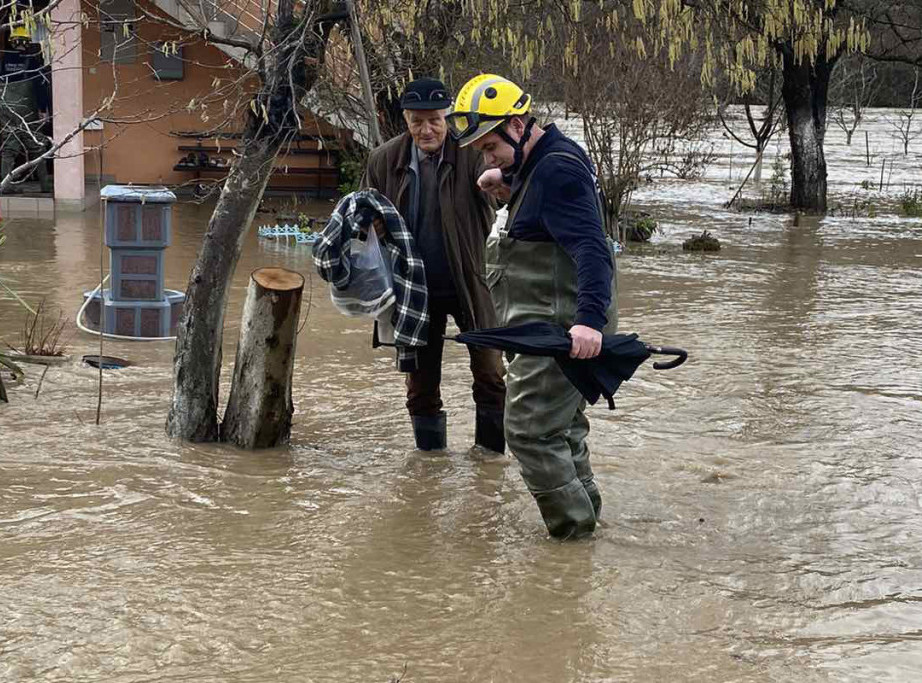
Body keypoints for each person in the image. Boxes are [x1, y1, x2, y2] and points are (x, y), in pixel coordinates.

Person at [447, 74, 617, 539]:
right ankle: (589, 522)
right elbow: (538, 179)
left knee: (527, 430)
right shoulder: (546, 157)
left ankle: (572, 537)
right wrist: (505, 175)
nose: (486, 157)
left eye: (489, 147)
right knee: (561, 428)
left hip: (561, 327)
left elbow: (591, 249)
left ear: (518, 125)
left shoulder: (557, 170)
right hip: (542, 320)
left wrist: (588, 322)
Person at [361, 77, 506, 454]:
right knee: (420, 387)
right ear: (406, 121)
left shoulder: (474, 153)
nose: (426, 130)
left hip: (470, 281)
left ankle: (489, 462)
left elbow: (510, 196)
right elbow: (362, 220)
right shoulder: (384, 160)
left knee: (491, 375)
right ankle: (429, 468)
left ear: (448, 119)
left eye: (435, 121)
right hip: (412, 290)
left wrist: (501, 186)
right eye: (416, 122)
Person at [0, 26, 51, 194]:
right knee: (37, 146)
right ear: (27, 42)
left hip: (6, 110)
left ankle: (4, 186)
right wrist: (44, 109)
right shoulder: (32, 61)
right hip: (27, 111)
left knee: (8, 148)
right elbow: (40, 87)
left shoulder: (3, 61)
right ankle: (45, 186)